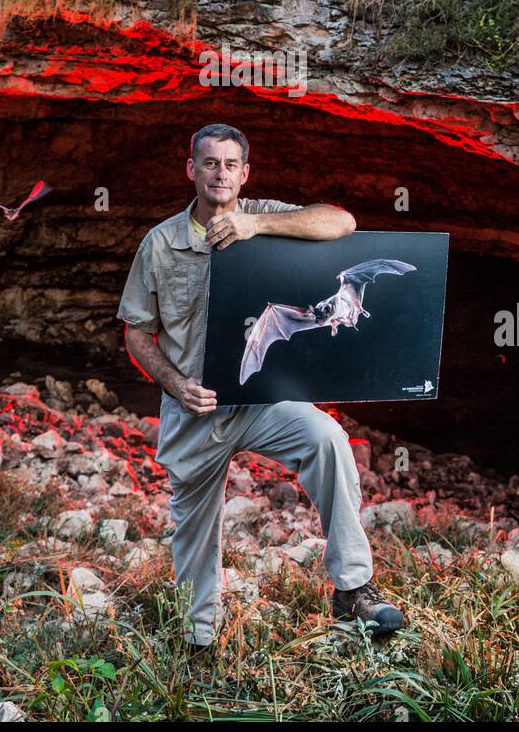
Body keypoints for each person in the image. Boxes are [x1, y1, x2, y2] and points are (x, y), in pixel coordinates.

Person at [116, 121, 405, 648]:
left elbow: (341, 222)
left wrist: (255, 228)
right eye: (209, 162)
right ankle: (197, 639)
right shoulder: (159, 244)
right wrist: (177, 385)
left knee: (327, 438)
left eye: (230, 164)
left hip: (259, 399)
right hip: (195, 409)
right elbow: (138, 336)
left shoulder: (264, 214)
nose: (219, 173)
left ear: (244, 174)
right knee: (194, 531)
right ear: (191, 169)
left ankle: (353, 588)